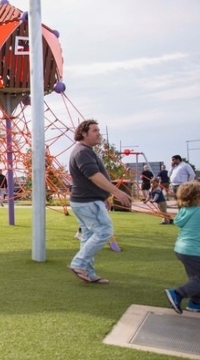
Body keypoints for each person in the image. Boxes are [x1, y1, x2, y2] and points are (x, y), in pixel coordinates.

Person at [67, 119, 131, 284]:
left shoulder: (86, 151)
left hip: (88, 200)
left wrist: (102, 197)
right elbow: (93, 175)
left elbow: (91, 178)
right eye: (95, 130)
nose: (98, 133)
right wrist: (116, 192)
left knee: (88, 236)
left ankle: (88, 273)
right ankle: (78, 264)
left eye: (98, 130)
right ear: (83, 133)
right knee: (104, 231)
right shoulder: (82, 152)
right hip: (86, 201)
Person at [164, 181, 200, 314]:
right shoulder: (199, 212)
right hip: (193, 250)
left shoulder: (184, 211)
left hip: (182, 249)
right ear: (197, 197)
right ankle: (177, 293)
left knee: (196, 278)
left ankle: (195, 303)